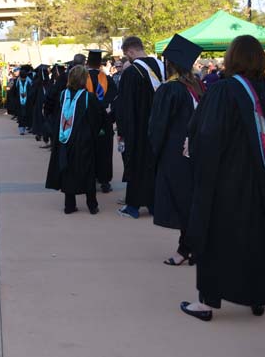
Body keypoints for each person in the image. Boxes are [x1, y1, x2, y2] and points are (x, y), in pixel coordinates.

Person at [180, 35, 265, 322]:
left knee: (217, 238)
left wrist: (192, 151)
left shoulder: (225, 91)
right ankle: (258, 297)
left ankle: (206, 302)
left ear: (233, 59)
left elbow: (208, 137)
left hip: (230, 184)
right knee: (259, 240)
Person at [148, 35, 204, 266]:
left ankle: (186, 249)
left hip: (175, 155)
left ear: (169, 64)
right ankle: (192, 247)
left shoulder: (169, 90)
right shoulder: (198, 87)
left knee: (181, 203)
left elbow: (158, 126)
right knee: (192, 202)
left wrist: (154, 153)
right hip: (197, 152)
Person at [116, 36, 165, 219]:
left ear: (130, 51)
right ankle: (154, 204)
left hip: (138, 129)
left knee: (136, 164)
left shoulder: (132, 72)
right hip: (160, 127)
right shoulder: (162, 68)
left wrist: (122, 131)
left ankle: (133, 206)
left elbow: (125, 106)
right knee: (156, 165)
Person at [45, 65, 103, 214]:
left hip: (64, 140)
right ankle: (92, 205)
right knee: (88, 171)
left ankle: (69, 206)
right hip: (83, 141)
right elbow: (98, 119)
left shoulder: (63, 95)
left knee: (67, 170)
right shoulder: (88, 97)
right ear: (84, 79)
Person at [85, 50, 117, 193]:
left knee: (88, 150)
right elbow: (114, 98)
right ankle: (104, 181)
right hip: (104, 120)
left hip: (86, 121)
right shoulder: (108, 79)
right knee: (104, 150)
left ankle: (88, 179)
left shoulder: (81, 78)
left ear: (87, 62)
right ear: (100, 64)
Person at [14, 65, 33, 135]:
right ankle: (23, 128)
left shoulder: (18, 81)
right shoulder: (29, 81)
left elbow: (14, 91)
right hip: (24, 102)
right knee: (23, 115)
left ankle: (22, 129)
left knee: (23, 115)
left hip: (25, 102)